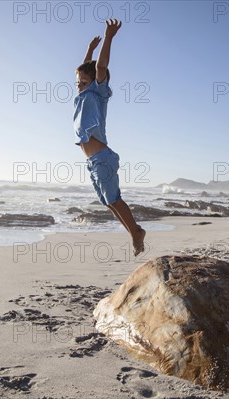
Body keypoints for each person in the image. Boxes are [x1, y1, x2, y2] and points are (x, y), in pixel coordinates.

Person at [73, 19, 146, 256]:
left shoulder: (98, 92)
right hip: (93, 161)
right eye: (78, 83)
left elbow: (100, 68)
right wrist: (89, 50)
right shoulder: (84, 92)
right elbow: (85, 68)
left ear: (95, 81)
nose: (79, 86)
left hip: (102, 157)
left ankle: (136, 232)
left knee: (114, 200)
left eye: (83, 82)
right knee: (108, 201)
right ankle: (134, 231)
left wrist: (108, 37)